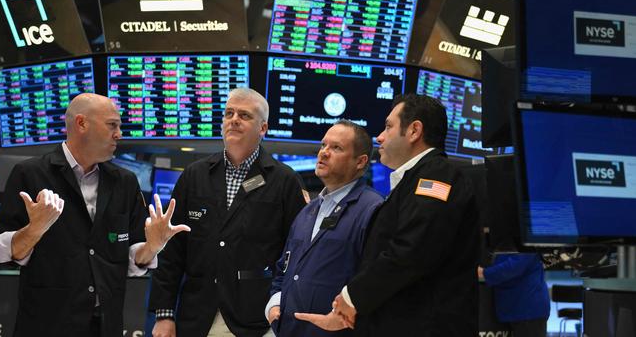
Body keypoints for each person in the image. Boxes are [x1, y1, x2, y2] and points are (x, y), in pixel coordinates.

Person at [0, 93, 189, 337]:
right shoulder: (30, 174)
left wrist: (153, 246)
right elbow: (1, 251)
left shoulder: (124, 182)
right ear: (82, 124)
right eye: (112, 125)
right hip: (46, 325)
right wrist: (35, 230)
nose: (119, 134)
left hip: (105, 324)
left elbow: (131, 257)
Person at [296, 94, 479, 336]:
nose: (380, 136)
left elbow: (412, 252)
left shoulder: (436, 177)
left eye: (388, 126)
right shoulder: (414, 181)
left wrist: (352, 298)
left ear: (414, 131)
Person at [149, 88, 307, 337]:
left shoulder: (284, 180)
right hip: (197, 316)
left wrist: (282, 307)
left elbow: (296, 254)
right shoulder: (194, 175)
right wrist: (164, 314)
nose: (234, 119)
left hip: (256, 320)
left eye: (244, 115)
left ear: (263, 128)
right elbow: (171, 250)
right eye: (229, 113)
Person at [265, 121, 384, 337]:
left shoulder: (373, 209)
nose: (324, 153)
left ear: (361, 161)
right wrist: (274, 305)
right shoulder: (307, 211)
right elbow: (284, 267)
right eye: (323, 145)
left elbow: (376, 282)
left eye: (336, 148)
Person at [478, 253, 550, 337]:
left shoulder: (525, 244)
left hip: (528, 310)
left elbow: (514, 267)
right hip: (513, 309)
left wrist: (484, 273)